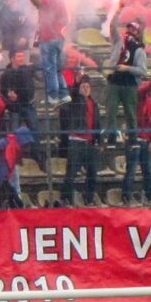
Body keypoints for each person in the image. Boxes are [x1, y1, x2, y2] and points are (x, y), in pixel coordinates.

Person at [124, 64, 151, 205]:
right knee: (131, 170)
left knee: (148, 170)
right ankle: (127, 197)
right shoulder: (135, 94)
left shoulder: (150, 100)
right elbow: (145, 88)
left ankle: (150, 196)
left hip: (146, 140)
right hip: (135, 139)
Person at [24, 0, 69, 103]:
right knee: (57, 68)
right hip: (58, 38)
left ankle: (53, 96)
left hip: (48, 38)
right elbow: (65, 20)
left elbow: (38, 4)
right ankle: (64, 93)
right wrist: (57, 27)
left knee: (49, 68)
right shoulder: (59, 0)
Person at [59, 78, 101, 206]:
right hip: (77, 141)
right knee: (72, 172)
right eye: (83, 87)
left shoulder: (94, 104)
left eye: (88, 86)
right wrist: (77, 81)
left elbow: (97, 124)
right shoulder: (75, 101)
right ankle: (65, 198)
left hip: (89, 142)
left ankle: (89, 198)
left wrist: (99, 140)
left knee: (92, 172)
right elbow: (73, 92)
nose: (86, 89)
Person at [105, 21, 147, 141]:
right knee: (110, 111)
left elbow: (143, 70)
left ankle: (132, 138)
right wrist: (117, 10)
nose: (130, 31)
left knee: (131, 114)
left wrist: (127, 68)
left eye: (133, 30)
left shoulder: (139, 49)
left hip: (130, 84)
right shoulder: (119, 41)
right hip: (114, 81)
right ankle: (111, 137)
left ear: (138, 33)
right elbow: (112, 26)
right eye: (129, 28)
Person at [0, 47, 38, 130]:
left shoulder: (27, 69)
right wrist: (9, 94)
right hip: (15, 106)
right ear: (12, 59)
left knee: (34, 130)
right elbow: (3, 90)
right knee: (15, 132)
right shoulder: (6, 74)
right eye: (19, 56)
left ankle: (34, 143)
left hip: (29, 104)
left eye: (22, 56)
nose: (22, 58)